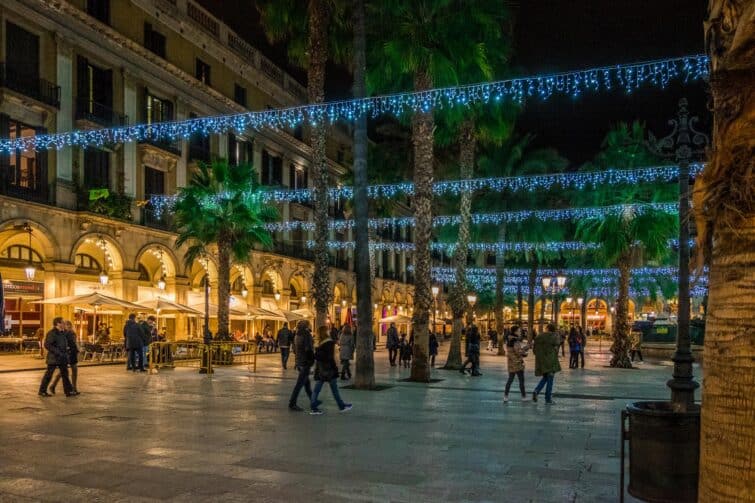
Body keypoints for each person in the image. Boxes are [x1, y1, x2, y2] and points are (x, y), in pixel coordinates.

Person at [310, 326, 351, 415]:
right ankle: (341, 406)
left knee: (317, 389)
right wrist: (335, 368)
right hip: (329, 369)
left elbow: (316, 356)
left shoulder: (318, 343)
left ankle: (314, 406)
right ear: (326, 332)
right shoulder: (329, 343)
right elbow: (330, 357)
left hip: (321, 369)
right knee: (334, 389)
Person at [38, 317, 74, 397]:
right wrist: (58, 352)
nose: (64, 324)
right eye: (63, 322)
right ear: (58, 324)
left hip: (62, 357)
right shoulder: (52, 333)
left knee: (65, 374)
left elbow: (64, 343)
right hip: (54, 358)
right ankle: (42, 391)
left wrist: (66, 351)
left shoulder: (63, 332)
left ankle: (68, 391)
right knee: (48, 375)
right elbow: (47, 345)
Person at [532, 323, 562, 404]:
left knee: (545, 377)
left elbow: (534, 350)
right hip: (550, 361)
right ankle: (548, 399)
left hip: (541, 362)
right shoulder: (554, 336)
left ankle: (536, 391)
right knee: (550, 380)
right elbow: (557, 346)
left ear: (547, 328)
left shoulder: (539, 336)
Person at [289, 321, 314, 411]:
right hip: (305, 362)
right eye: (309, 325)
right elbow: (308, 349)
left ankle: (313, 400)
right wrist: (311, 360)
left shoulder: (297, 335)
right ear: (306, 326)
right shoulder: (306, 335)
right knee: (299, 385)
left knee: (307, 384)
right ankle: (292, 403)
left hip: (299, 361)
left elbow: (295, 349)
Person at [50, 320, 79, 395]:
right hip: (66, 353)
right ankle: (53, 385)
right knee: (63, 371)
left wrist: (77, 349)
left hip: (73, 353)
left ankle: (74, 388)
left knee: (74, 370)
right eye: (66, 325)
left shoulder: (72, 333)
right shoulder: (62, 333)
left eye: (69, 325)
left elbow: (74, 342)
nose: (68, 326)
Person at [504, 326, 529, 403]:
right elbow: (518, 351)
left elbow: (511, 351)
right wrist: (526, 349)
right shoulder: (515, 340)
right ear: (515, 332)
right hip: (517, 362)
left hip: (511, 362)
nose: (520, 332)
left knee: (510, 380)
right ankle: (523, 396)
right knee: (521, 380)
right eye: (518, 331)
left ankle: (506, 396)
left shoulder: (509, 339)